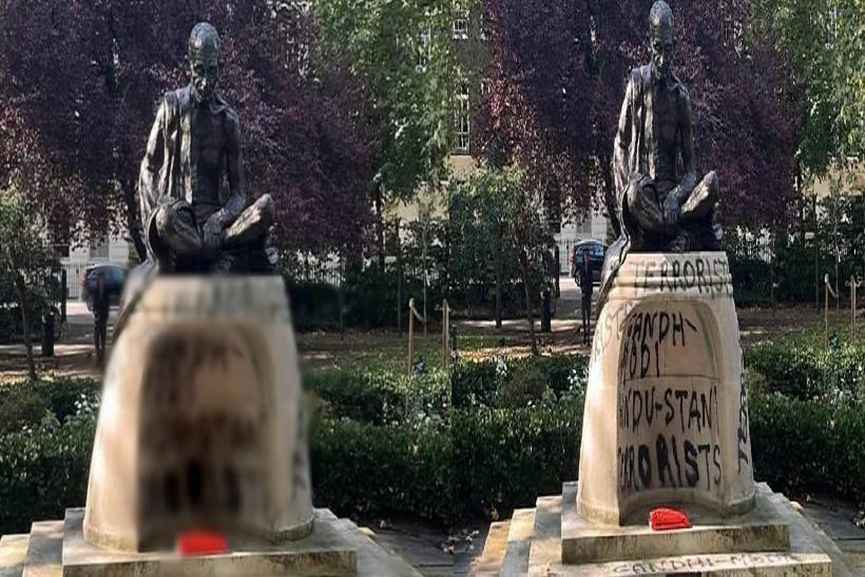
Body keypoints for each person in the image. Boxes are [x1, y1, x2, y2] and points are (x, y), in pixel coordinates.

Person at [599, 0, 722, 307]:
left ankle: (668, 229)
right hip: (645, 192)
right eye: (658, 48)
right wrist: (627, 187)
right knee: (635, 197)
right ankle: (676, 232)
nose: (663, 57)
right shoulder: (637, 83)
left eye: (668, 48)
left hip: (672, 197)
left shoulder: (682, 97)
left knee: (712, 184)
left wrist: (676, 195)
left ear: (675, 45)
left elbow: (691, 169)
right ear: (649, 44)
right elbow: (621, 141)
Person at [93, 275, 110, 362]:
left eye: (102, 281)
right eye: (100, 281)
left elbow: (107, 305)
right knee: (97, 332)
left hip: (103, 315)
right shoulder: (95, 292)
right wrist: (95, 313)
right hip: (97, 315)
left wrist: (106, 314)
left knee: (103, 332)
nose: (101, 283)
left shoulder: (106, 292)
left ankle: (102, 349)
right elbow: (94, 304)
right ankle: (97, 349)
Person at [580, 252, 593, 345]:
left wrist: (590, 291)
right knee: (583, 315)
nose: (586, 258)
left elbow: (591, 280)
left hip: (588, 293)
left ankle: (588, 336)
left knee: (588, 315)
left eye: (587, 257)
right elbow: (581, 280)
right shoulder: (581, 268)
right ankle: (585, 335)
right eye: (585, 257)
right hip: (584, 293)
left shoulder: (590, 268)